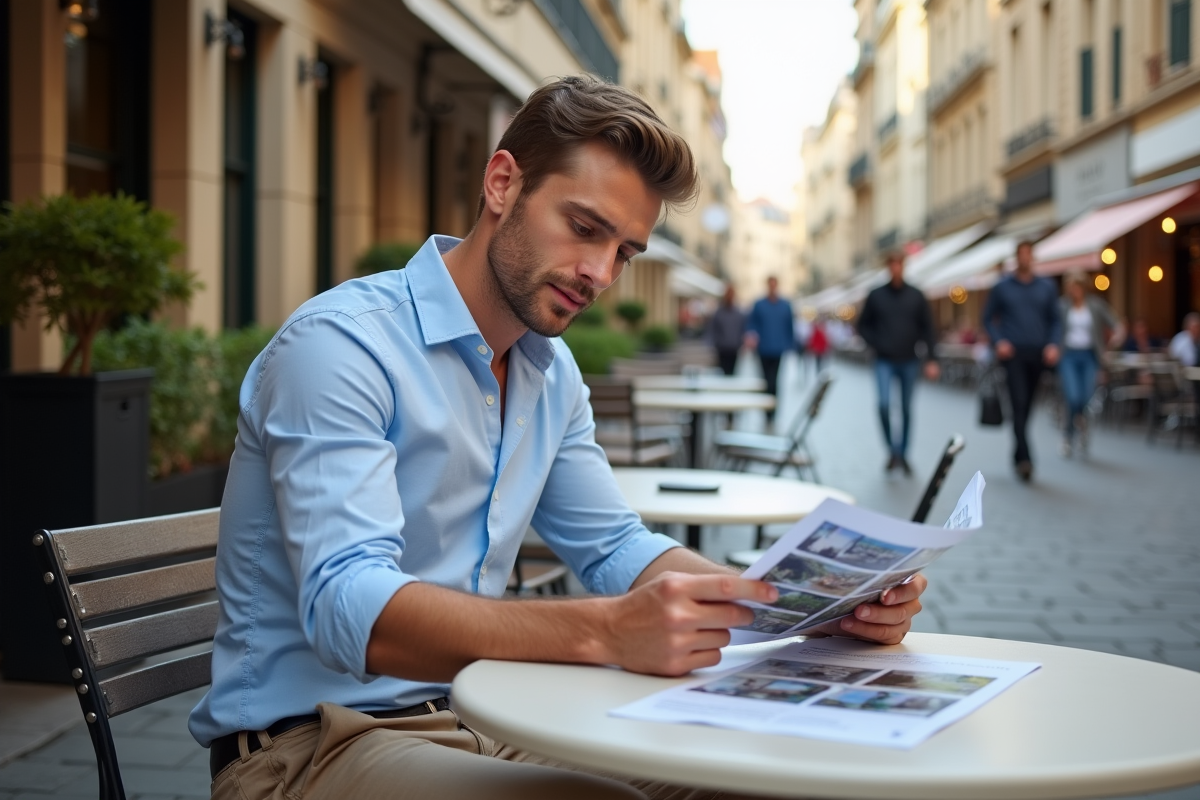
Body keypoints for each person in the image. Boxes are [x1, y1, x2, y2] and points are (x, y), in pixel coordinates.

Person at [190, 76, 927, 800]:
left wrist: (812, 607)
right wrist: (605, 633)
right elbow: (351, 609)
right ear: (503, 184)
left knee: (758, 766)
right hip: (307, 748)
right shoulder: (341, 347)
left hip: (476, 716)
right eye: (584, 228)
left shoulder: (550, 370)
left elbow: (614, 547)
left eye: (625, 252)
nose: (600, 273)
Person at [982, 240, 1062, 482]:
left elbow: (1056, 320)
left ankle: (1018, 452)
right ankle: (1026, 458)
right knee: (1018, 402)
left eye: (1029, 254)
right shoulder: (1002, 287)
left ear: (1033, 257)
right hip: (1013, 354)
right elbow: (987, 318)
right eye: (1022, 254)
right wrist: (999, 341)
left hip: (1038, 354)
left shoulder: (1046, 287)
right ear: (1016, 258)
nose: (1025, 258)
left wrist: (1053, 343)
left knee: (1027, 406)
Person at [857, 251, 940, 475]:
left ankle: (903, 454)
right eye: (892, 264)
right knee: (883, 406)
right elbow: (862, 325)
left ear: (903, 266)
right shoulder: (876, 295)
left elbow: (928, 329)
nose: (895, 268)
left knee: (906, 409)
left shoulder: (916, 295)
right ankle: (892, 450)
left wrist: (932, 358)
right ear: (887, 267)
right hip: (883, 359)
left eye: (899, 264)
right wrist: (876, 343)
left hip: (909, 360)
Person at [1057, 272, 1119, 457]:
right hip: (1068, 355)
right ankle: (1068, 435)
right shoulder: (1062, 306)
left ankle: (1080, 424)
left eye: (1076, 286)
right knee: (1073, 396)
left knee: (1085, 396)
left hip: (1090, 355)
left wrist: (1109, 347)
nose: (1073, 291)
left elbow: (1117, 325)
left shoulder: (1095, 305)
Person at [745, 275, 795, 427]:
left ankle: (773, 411)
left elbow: (790, 327)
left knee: (775, 381)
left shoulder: (785, 305)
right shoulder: (759, 305)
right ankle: (766, 412)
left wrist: (791, 345)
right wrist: (752, 337)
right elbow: (752, 324)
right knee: (766, 381)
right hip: (763, 349)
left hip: (778, 349)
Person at [706, 283, 746, 376]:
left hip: (734, 347)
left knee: (732, 372)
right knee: (723, 372)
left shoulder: (738, 313)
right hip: (722, 347)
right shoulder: (719, 312)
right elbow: (713, 329)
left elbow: (742, 329)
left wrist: (742, 343)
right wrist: (714, 343)